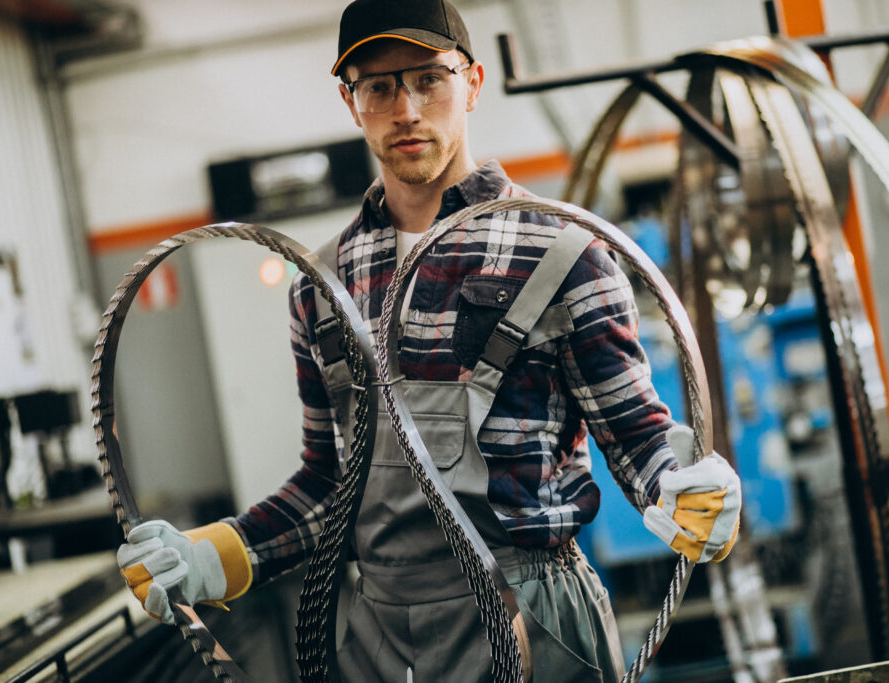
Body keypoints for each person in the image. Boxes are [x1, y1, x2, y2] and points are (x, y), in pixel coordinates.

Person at [116, 0, 742, 680]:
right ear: (350, 101)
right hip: (381, 633)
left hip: (531, 614)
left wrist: (684, 485)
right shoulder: (322, 284)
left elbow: (635, 434)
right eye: (379, 86)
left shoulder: (562, 251)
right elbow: (329, 483)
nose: (406, 109)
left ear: (470, 84)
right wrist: (215, 555)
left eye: (428, 79)